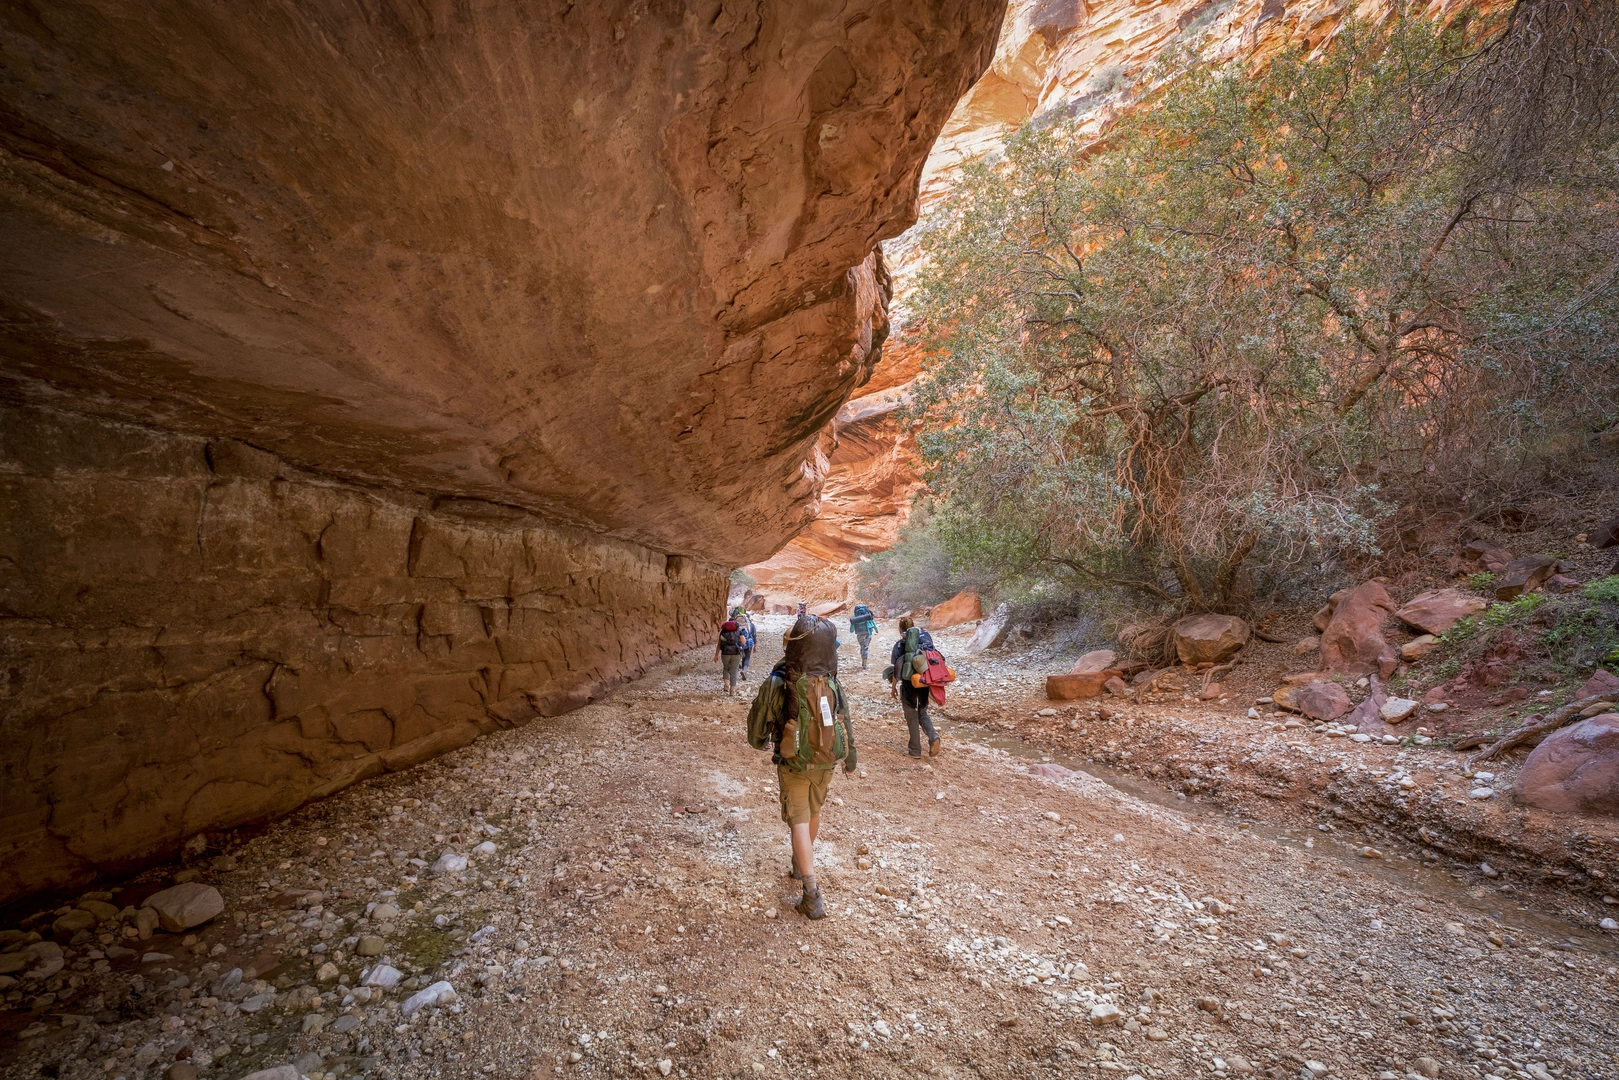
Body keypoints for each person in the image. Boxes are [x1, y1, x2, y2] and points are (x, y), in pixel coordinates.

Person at [774, 611, 856, 920]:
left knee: (798, 820)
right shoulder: (832, 682)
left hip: (794, 760)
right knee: (814, 812)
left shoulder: (782, 680)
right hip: (826, 760)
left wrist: (760, 741)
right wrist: (851, 758)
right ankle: (800, 862)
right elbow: (844, 720)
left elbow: (761, 719)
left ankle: (810, 893)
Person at [889, 616, 941, 758]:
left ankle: (915, 750)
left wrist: (893, 688)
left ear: (900, 629)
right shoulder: (924, 640)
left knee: (911, 714)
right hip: (924, 682)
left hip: (908, 685)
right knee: (922, 713)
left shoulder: (900, 645)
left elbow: (896, 669)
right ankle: (933, 736)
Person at [714, 616, 745, 695]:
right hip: (736, 653)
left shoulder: (723, 631)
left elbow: (719, 644)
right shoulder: (739, 630)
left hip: (725, 653)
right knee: (734, 671)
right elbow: (743, 642)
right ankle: (732, 690)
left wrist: (716, 655)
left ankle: (726, 685)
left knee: (726, 668)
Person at [849, 602, 877, 670]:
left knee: (862, 647)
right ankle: (864, 664)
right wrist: (876, 630)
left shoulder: (856, 619)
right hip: (867, 633)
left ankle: (863, 662)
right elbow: (873, 623)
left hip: (859, 634)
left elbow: (851, 630)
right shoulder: (867, 617)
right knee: (865, 648)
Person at [732, 606, 758, 678]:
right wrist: (755, 645)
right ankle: (744, 670)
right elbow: (754, 635)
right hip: (749, 643)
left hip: (739, 643)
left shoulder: (736, 625)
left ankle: (738, 664)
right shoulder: (751, 625)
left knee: (739, 655)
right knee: (747, 658)